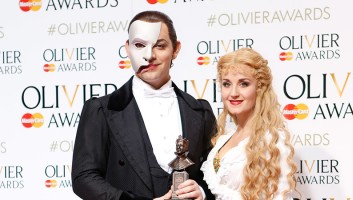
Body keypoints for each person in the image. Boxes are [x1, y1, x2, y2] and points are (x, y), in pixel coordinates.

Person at [71, 10, 216, 200]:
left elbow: (217, 175)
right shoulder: (102, 110)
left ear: (176, 49)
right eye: (139, 45)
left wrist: (203, 192)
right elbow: (84, 178)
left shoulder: (199, 111)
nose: (149, 56)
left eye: (160, 46)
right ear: (127, 48)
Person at [201, 48, 297, 200]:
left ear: (259, 88)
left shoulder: (272, 140)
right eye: (226, 84)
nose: (233, 93)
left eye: (243, 84)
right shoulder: (224, 139)